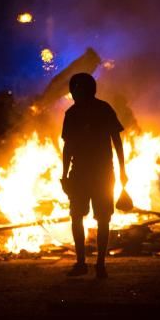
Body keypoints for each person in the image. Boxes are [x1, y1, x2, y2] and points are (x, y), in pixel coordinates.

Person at [60, 73, 128, 279]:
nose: (73, 93)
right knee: (94, 218)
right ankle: (93, 264)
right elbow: (69, 146)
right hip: (95, 173)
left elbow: (68, 147)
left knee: (88, 217)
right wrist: (64, 174)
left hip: (90, 173)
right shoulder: (98, 110)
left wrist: (65, 175)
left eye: (75, 89)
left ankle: (92, 263)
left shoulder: (80, 112)